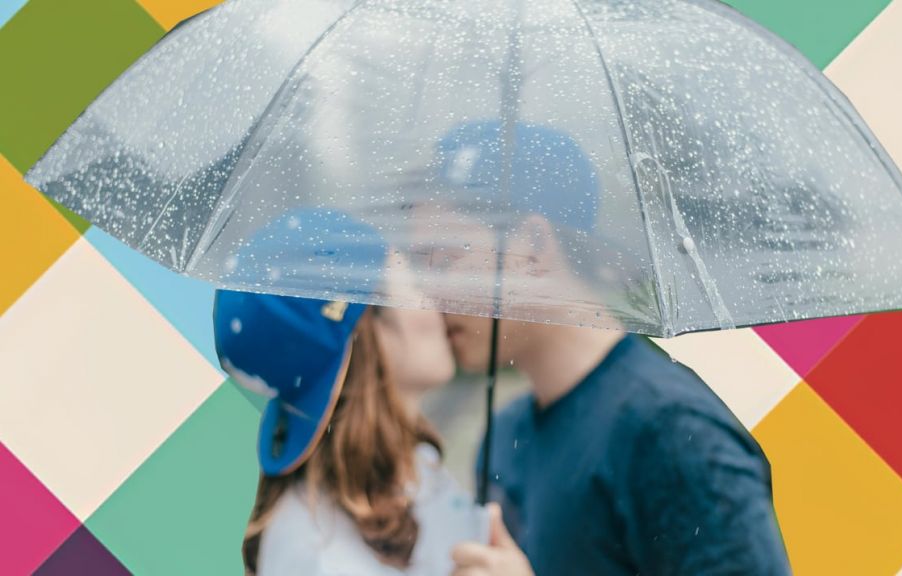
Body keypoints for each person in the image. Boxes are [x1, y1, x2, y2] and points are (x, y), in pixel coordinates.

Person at [423, 121, 792, 575]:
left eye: (445, 259)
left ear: (533, 246)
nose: (428, 293)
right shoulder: (504, 439)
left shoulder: (669, 434)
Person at [213, 209, 486, 576]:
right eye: (417, 285)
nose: (436, 299)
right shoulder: (317, 553)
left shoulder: (415, 469)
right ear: (368, 335)